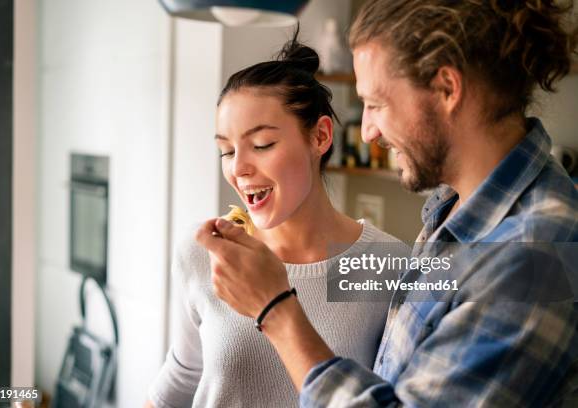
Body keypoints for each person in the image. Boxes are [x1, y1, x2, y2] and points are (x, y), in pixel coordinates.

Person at [196, 0, 578, 406]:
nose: (368, 132)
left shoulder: (535, 255)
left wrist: (275, 308)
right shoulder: (455, 213)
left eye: (376, 104)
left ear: (447, 88)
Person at [145, 33, 408, 407]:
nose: (238, 168)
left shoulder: (386, 263)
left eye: (262, 145)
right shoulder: (205, 251)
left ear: (320, 136)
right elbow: (183, 376)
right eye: (226, 150)